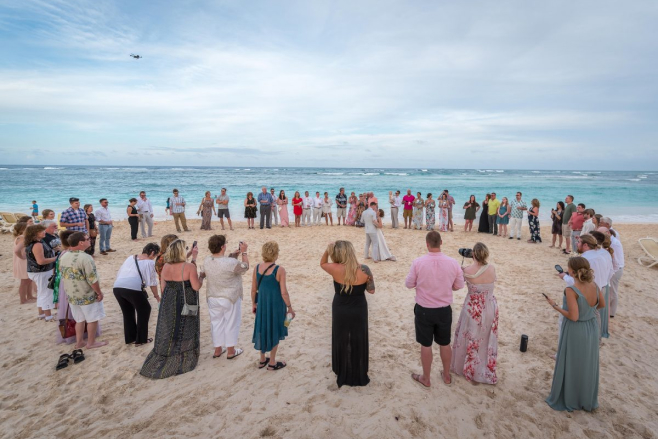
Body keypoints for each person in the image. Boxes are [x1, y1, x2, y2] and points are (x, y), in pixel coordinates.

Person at [406, 231, 465, 387]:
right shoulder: (453, 262)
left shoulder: (418, 262)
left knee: (426, 345)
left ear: (427, 244)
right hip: (444, 309)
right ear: (441, 242)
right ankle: (446, 375)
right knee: (445, 343)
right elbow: (459, 285)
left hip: (424, 308)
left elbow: (409, 284)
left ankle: (426, 378)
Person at [545, 257, 603, 412]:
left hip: (575, 330)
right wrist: (589, 312)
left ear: (572, 271)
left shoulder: (571, 290)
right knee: (586, 364)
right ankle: (585, 398)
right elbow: (601, 305)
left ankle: (569, 398)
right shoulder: (595, 285)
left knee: (571, 362)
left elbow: (573, 316)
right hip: (591, 327)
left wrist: (554, 305)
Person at [141, 239, 203, 379]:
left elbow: (163, 288)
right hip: (185, 300)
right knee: (186, 325)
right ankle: (184, 352)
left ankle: (170, 349)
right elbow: (196, 287)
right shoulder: (189, 267)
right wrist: (202, 277)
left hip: (169, 300)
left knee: (171, 326)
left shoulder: (166, 266)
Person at [321, 241, 375, 387]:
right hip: (359, 308)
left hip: (340, 307)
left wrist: (327, 249)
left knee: (341, 337)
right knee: (358, 337)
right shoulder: (364, 269)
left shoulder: (334, 268)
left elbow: (322, 263)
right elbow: (371, 290)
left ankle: (342, 369)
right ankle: (359, 371)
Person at [451, 243, 498, 384]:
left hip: (473, 309)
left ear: (473, 254)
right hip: (490, 306)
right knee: (485, 339)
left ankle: (468, 369)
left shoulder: (466, 270)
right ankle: (481, 369)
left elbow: (455, 286)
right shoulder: (491, 269)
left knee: (469, 338)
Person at [59, 232, 109, 349]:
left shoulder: (64, 256)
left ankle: (79, 342)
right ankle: (91, 342)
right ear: (81, 243)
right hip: (86, 293)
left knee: (79, 320)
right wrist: (98, 292)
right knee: (92, 318)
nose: (90, 240)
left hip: (72, 294)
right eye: (87, 239)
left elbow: (63, 276)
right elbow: (92, 279)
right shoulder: (85, 258)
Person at [203, 235, 249, 359]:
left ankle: (217, 349)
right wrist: (244, 252)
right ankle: (231, 351)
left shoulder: (207, 260)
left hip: (213, 296)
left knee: (216, 323)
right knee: (231, 323)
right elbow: (245, 267)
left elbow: (221, 265)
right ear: (223, 247)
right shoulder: (230, 263)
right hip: (230, 296)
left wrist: (234, 254)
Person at [558, 234, 612, 340]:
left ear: (586, 245)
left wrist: (564, 276)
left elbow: (577, 283)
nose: (577, 243)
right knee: (594, 317)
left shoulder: (584, 259)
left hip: (586, 294)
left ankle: (562, 350)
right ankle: (595, 340)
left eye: (579, 242)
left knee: (564, 320)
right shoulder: (604, 254)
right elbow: (610, 271)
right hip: (600, 290)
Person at [251, 241, 294, 370]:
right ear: (276, 254)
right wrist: (290, 307)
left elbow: (254, 290)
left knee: (262, 328)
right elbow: (284, 292)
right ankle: (272, 362)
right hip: (276, 305)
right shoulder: (279, 270)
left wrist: (254, 303)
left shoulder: (257, 268)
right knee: (275, 329)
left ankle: (262, 359)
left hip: (262, 304)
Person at [113, 243, 161, 346]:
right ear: (152, 253)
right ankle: (141, 339)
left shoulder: (131, 257)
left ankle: (130, 338)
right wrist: (156, 296)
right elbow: (152, 282)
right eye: (155, 256)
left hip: (117, 287)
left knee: (128, 313)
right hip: (132, 287)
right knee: (145, 310)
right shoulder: (149, 262)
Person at [25, 224, 58, 320]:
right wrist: (56, 258)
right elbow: (41, 261)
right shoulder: (37, 244)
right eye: (41, 231)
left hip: (37, 271)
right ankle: (48, 316)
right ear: (34, 233)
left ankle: (41, 314)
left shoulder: (35, 242)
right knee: (46, 293)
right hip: (41, 271)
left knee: (41, 292)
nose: (44, 232)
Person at [590, 230, 615, 338]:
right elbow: (611, 271)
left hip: (597, 288)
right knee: (598, 313)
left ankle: (597, 337)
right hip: (603, 285)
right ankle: (599, 335)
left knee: (595, 314)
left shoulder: (597, 255)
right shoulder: (605, 253)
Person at [13, 222, 36, 304]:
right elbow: (17, 250)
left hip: (25, 260)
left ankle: (29, 296)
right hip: (23, 261)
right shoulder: (22, 238)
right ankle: (23, 299)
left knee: (29, 279)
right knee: (24, 281)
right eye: (28, 227)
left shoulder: (23, 237)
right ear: (23, 229)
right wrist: (22, 257)